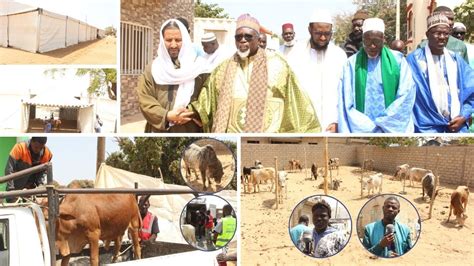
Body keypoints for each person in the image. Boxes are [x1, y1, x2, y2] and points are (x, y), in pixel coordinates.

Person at [190, 14, 320, 133]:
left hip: (268, 139)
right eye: (238, 37)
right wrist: (193, 112)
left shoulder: (279, 66)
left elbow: (297, 104)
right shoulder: (222, 69)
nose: (243, 40)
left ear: (258, 39)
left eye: (248, 36)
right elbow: (206, 101)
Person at [338, 18, 416, 133]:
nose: (372, 46)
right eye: (368, 41)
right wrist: (367, 128)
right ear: (363, 39)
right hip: (360, 130)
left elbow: (406, 95)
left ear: (383, 39)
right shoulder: (351, 64)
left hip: (391, 129)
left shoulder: (398, 61)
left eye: (376, 41)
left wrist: (385, 123)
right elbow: (346, 100)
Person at [136, 19, 209, 133]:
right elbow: (145, 99)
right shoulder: (153, 69)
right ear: (162, 40)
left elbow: (208, 98)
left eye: (178, 40)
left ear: (185, 40)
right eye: (169, 40)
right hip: (158, 130)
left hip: (189, 129)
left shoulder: (199, 68)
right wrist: (167, 116)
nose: (173, 45)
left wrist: (192, 112)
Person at [406, 13, 474, 133]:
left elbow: (471, 92)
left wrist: (463, 116)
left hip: (456, 127)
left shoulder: (456, 60)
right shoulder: (414, 61)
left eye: (446, 33)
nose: (442, 37)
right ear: (427, 35)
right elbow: (404, 95)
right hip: (425, 128)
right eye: (437, 33)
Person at [288, 10, 347, 132]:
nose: (323, 38)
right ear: (309, 30)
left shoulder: (339, 55)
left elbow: (344, 92)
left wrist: (337, 120)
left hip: (331, 123)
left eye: (327, 33)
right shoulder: (295, 54)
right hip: (302, 123)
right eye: (318, 33)